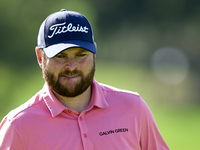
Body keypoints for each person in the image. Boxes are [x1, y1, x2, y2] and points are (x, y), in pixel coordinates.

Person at [0, 9, 170, 150]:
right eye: (60, 56)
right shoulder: (18, 127)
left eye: (81, 55)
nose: (72, 66)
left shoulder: (134, 108)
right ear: (40, 57)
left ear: (94, 52)